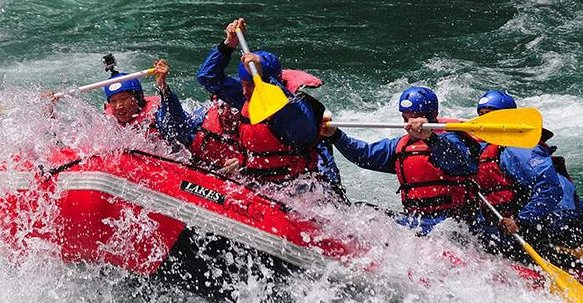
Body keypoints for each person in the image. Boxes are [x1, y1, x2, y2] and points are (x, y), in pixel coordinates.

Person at [194, 18, 342, 188]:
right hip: (264, 185)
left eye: (249, 86)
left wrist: (262, 71)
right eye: (243, 85)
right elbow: (207, 78)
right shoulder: (248, 97)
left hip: (301, 188)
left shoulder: (296, 113)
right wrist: (228, 44)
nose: (243, 92)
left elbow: (290, 110)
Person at [321, 86, 480, 235]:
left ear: (430, 116)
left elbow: (460, 163)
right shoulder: (401, 146)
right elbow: (365, 155)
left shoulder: (453, 139)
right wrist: (335, 135)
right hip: (417, 222)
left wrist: (430, 138)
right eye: (405, 117)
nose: (408, 124)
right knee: (364, 212)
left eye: (414, 117)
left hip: (454, 225)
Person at [474, 90, 583, 263]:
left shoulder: (518, 149)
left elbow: (550, 189)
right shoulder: (483, 149)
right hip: (521, 227)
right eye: (481, 115)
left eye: (490, 115)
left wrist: (521, 221)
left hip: (553, 224)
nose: (483, 121)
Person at [103, 58, 194, 150]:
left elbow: (176, 123)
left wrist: (163, 87)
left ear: (137, 98)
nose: (119, 106)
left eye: (124, 99)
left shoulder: (155, 114)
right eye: (113, 101)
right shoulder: (108, 122)